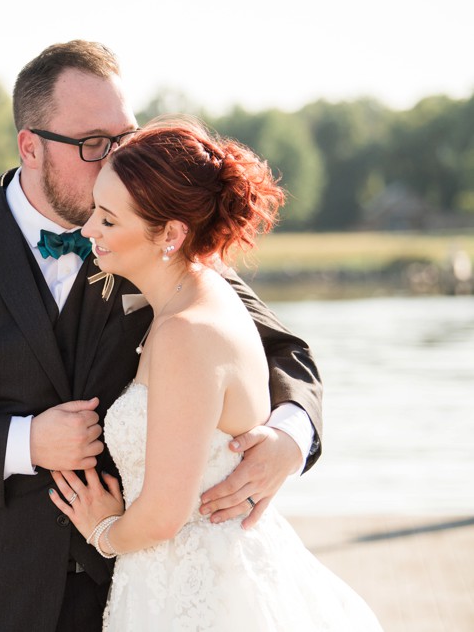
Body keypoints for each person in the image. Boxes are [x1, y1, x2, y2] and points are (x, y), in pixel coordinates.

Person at [0, 40, 322, 632]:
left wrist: (287, 439)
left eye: (124, 139)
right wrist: (23, 442)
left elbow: (282, 354)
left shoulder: (159, 236)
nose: (116, 161)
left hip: (129, 590)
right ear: (30, 146)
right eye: (93, 145)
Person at [49, 116, 382, 630]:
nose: (89, 229)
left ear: (172, 234)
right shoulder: (207, 293)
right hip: (197, 576)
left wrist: (102, 531)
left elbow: (163, 513)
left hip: (197, 595)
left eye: (109, 220)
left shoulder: (185, 331)